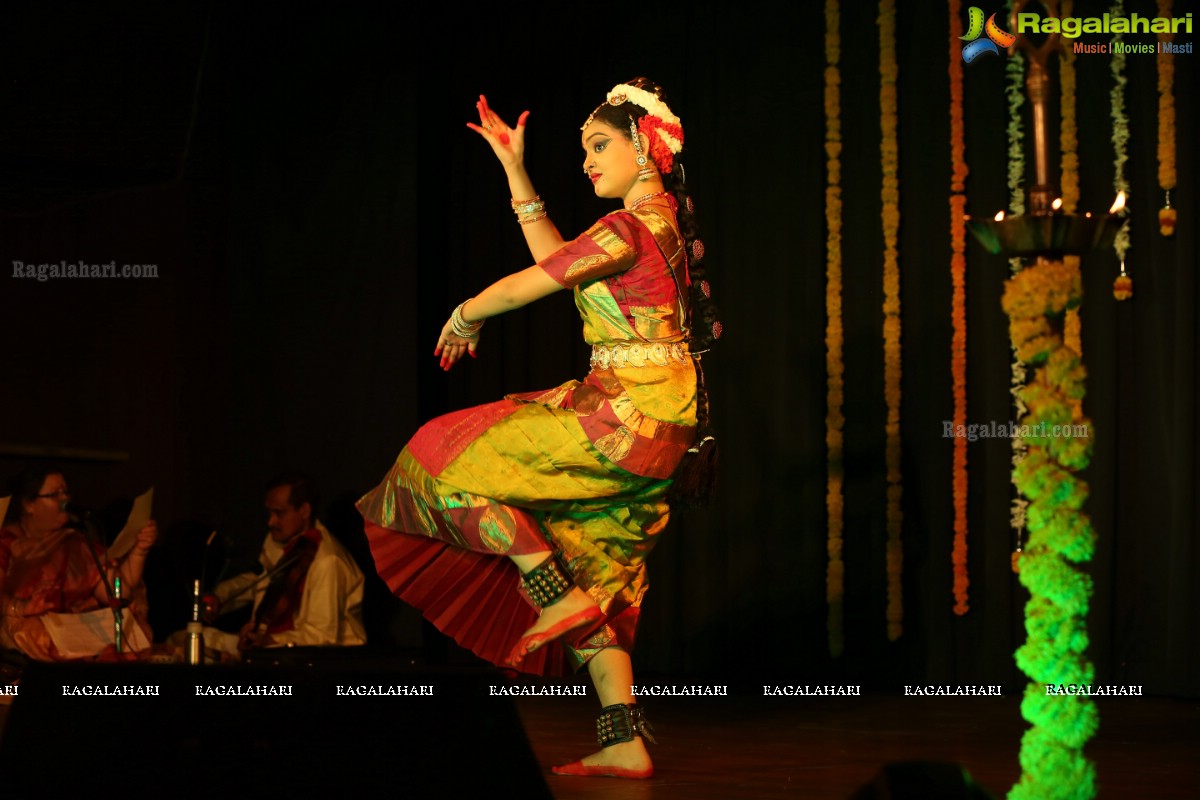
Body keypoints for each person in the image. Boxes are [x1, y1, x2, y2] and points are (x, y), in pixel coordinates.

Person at [358, 78, 720, 779]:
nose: (586, 160)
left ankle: (555, 592)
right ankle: (623, 735)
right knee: (602, 572)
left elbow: (534, 282)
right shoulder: (655, 221)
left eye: (599, 145)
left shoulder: (627, 227)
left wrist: (466, 313)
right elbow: (557, 258)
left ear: (644, 145)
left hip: (622, 413)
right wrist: (514, 168)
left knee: (436, 462)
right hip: (665, 427)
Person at [0, 465, 157, 662]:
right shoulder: (6, 542)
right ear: (28, 505)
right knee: (35, 634)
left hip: (75, 626)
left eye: (65, 492)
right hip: (33, 625)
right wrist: (22, 607)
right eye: (54, 494)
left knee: (132, 631)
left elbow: (115, 592)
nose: (65, 499)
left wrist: (139, 551)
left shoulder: (76, 542)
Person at [200, 473, 366, 657]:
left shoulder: (328, 561)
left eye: (279, 513)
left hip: (317, 662)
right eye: (269, 513)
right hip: (267, 647)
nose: (270, 522)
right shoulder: (278, 541)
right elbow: (260, 580)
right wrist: (220, 598)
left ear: (304, 510)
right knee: (186, 638)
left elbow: (322, 636)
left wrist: (270, 640)